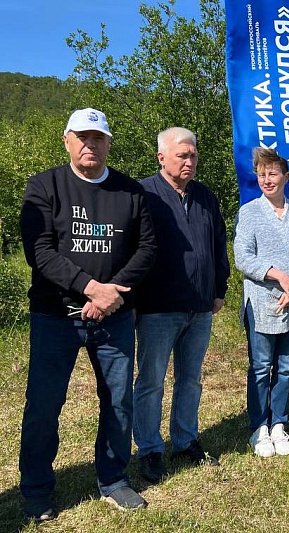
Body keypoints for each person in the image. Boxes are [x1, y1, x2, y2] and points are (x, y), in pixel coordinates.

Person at [18, 108, 157, 520]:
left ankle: (114, 479)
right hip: (55, 316)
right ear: (67, 141)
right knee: (44, 405)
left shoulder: (130, 191)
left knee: (118, 401)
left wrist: (109, 293)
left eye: (98, 138)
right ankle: (37, 490)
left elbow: (147, 248)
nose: (90, 145)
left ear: (108, 144)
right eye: (82, 137)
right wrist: (91, 287)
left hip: (114, 316)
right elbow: (40, 251)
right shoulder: (45, 186)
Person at [133, 127, 230, 482]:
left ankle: (185, 441)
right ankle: (150, 449)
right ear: (162, 157)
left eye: (193, 155)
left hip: (200, 306)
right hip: (158, 307)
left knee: (190, 379)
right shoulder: (144, 194)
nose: (189, 161)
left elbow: (218, 243)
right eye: (182, 156)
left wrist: (219, 288)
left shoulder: (204, 196)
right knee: (152, 381)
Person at [234, 148, 289, 457]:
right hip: (261, 300)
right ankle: (259, 427)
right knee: (260, 367)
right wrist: (279, 276)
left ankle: (279, 423)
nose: (266, 179)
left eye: (272, 173)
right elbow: (243, 257)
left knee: (285, 367)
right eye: (261, 174)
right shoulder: (250, 212)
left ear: (286, 176)